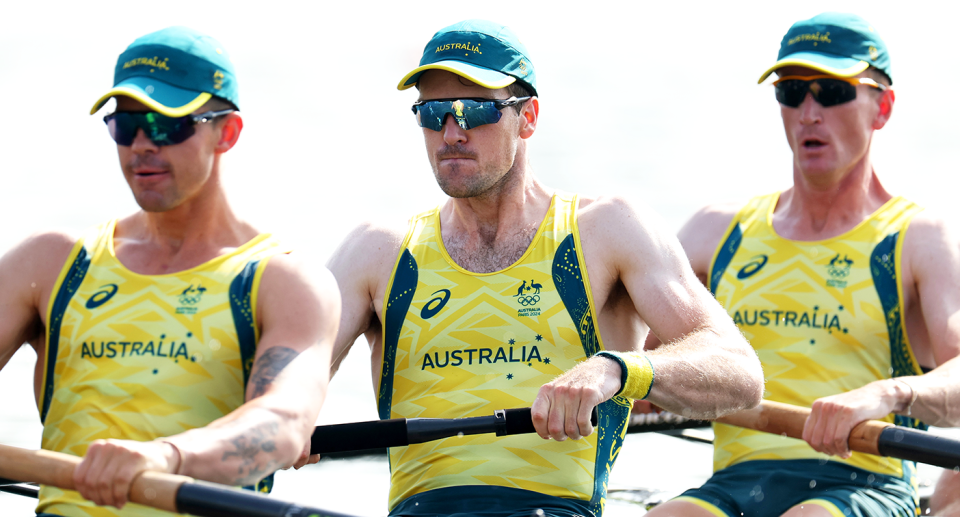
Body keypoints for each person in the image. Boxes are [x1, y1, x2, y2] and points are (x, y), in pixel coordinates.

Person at [324, 19, 763, 517]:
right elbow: (287, 386)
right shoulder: (378, 251)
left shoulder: (606, 230)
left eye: (474, 110)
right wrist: (282, 422)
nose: (451, 132)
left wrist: (617, 369)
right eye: (433, 112)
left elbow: (740, 373)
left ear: (527, 117)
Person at [0, 26, 340, 516]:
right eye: (126, 124)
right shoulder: (50, 265)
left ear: (227, 132)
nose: (141, 144)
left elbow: (283, 423)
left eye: (165, 125)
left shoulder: (282, 281)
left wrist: (164, 455)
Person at [644, 12, 960, 517]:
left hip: (864, 482)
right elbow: (645, 371)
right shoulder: (716, 230)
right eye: (791, 92)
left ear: (882, 107)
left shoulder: (918, 237)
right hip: (734, 484)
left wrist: (885, 394)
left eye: (831, 92)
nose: (809, 112)